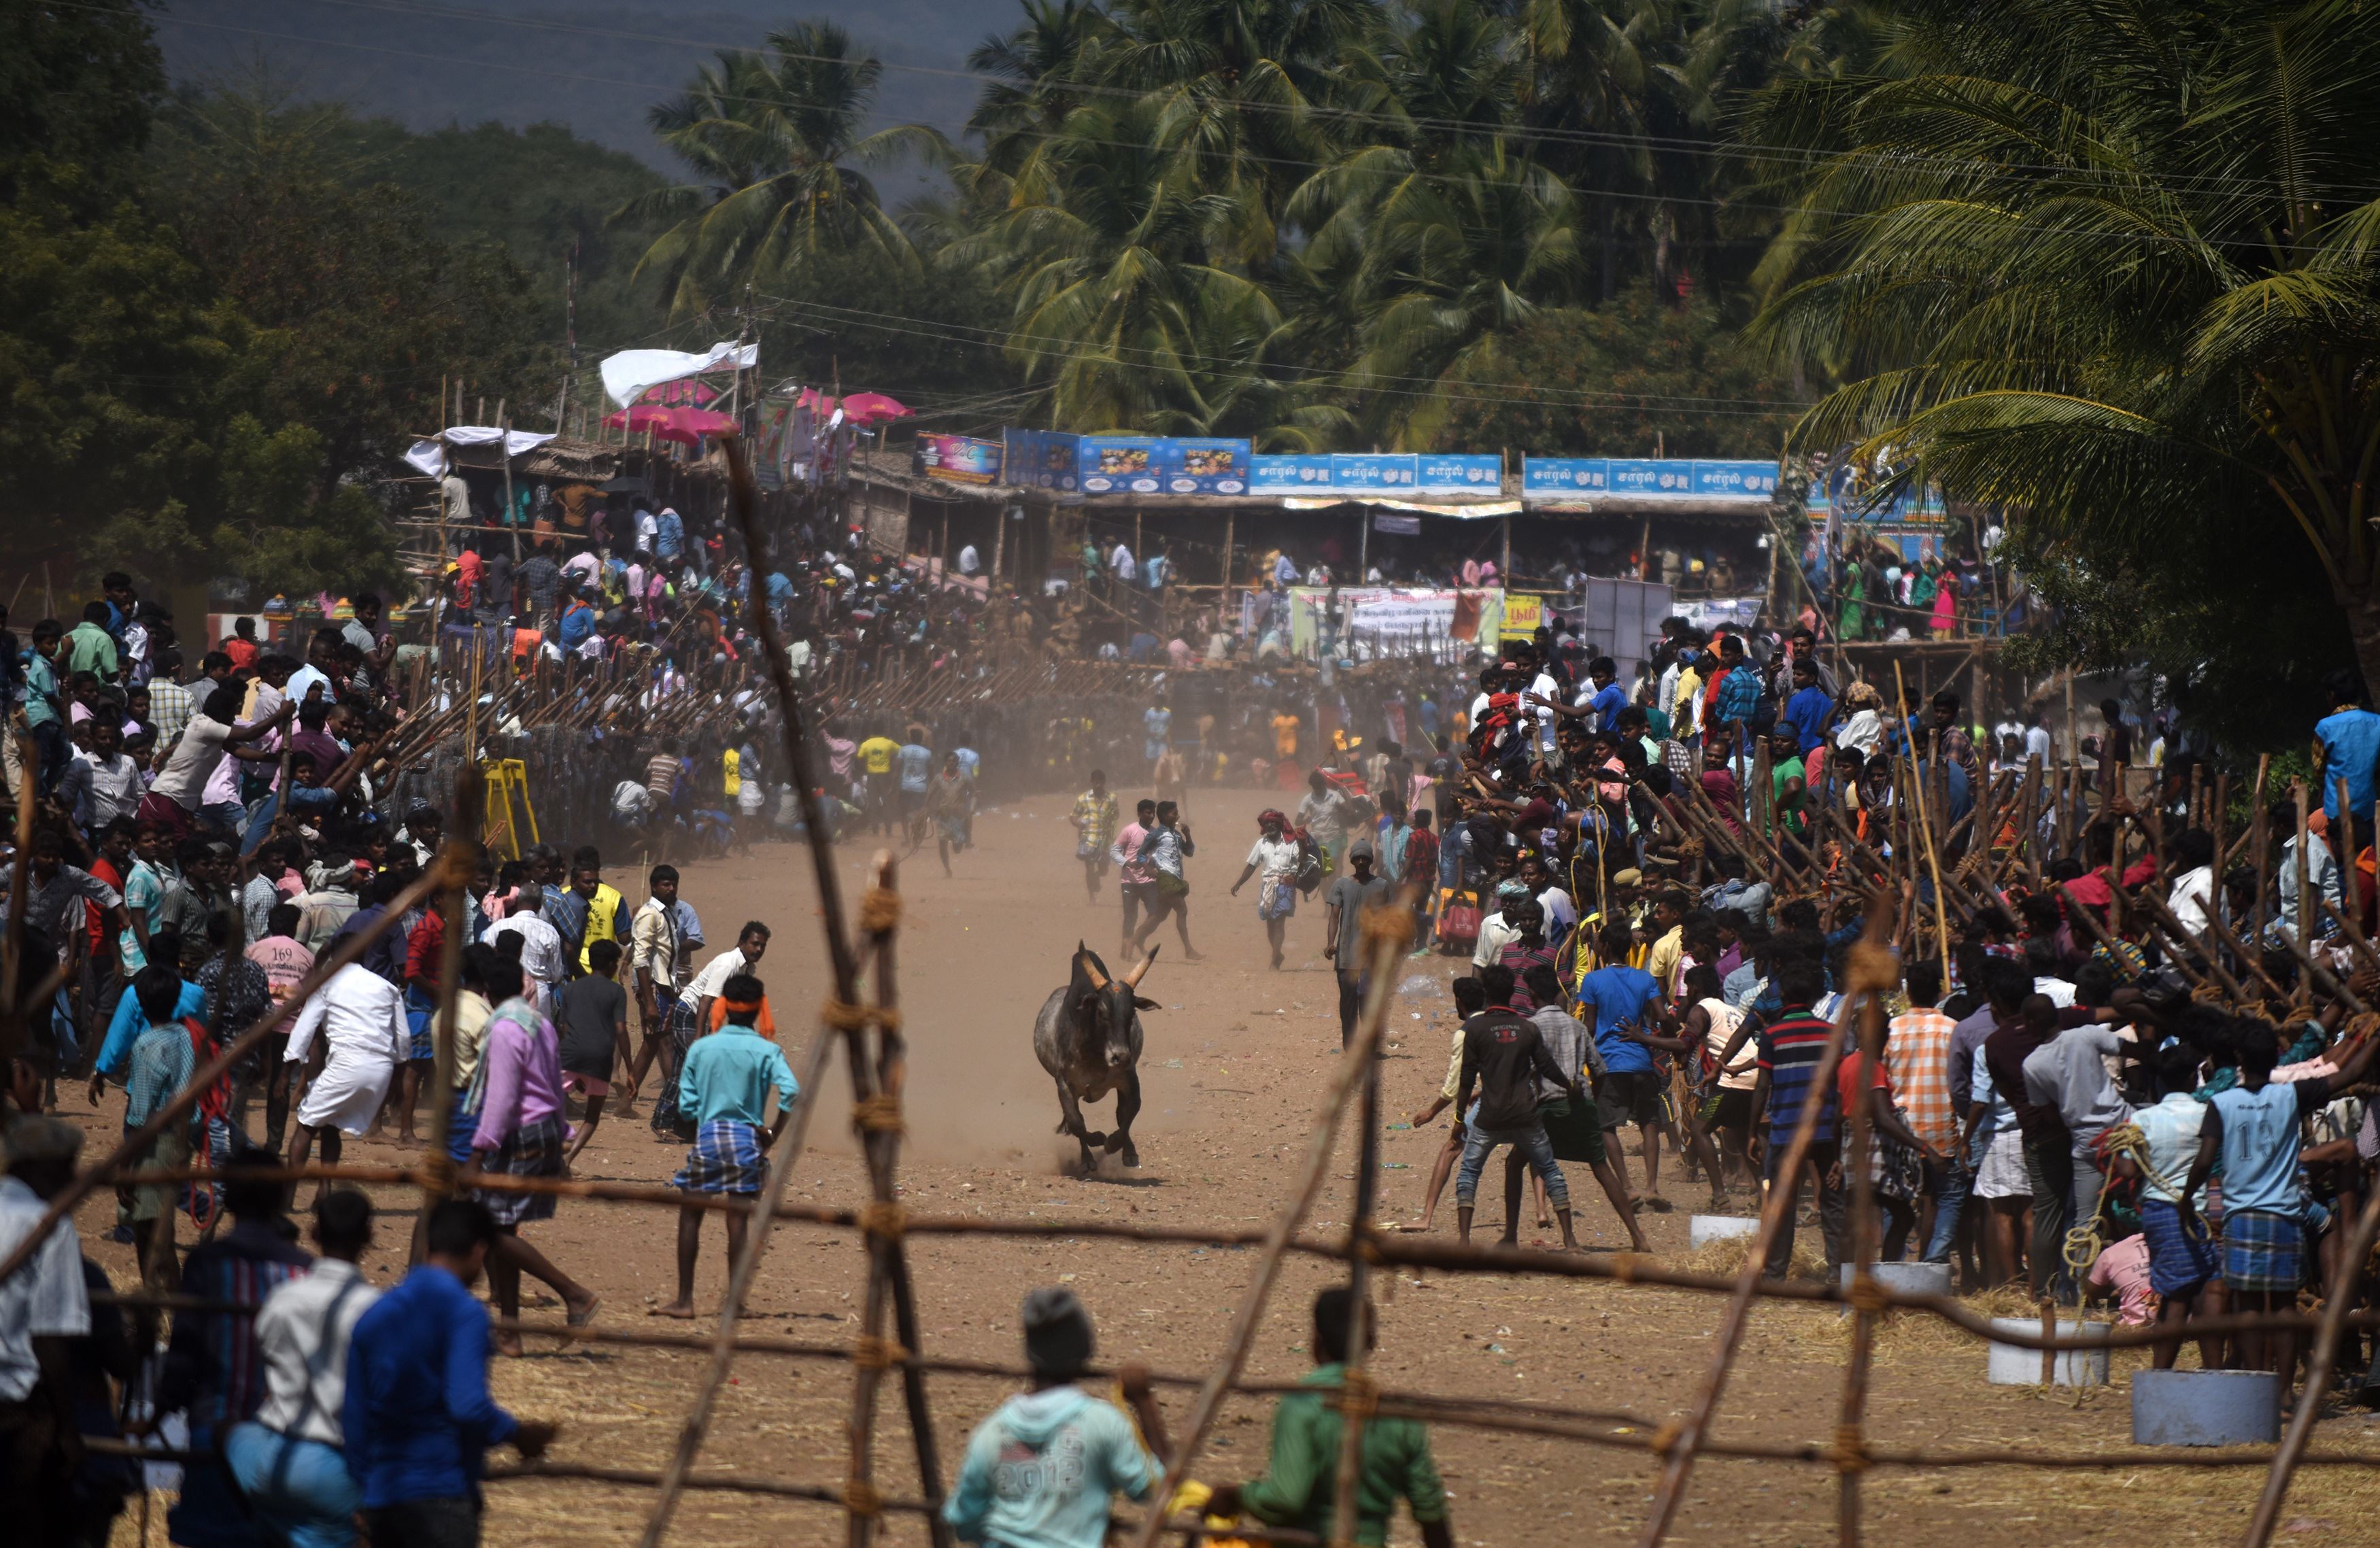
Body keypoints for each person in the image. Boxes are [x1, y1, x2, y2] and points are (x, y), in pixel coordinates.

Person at [344, 1199, 558, 1548]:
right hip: (440, 1494)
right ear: (479, 1251)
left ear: (427, 1246)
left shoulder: (376, 1313)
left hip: (382, 1495)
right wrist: (517, 1434)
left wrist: (361, 1494)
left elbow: (354, 1419)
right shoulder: (464, 1313)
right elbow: (467, 1405)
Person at [2180, 1018, 2379, 1381]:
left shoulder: (2222, 1103)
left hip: (2241, 1216)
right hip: (2285, 1216)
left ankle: (2259, 1389)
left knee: (2251, 1308)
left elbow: (2205, 1160)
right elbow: (2351, 1073)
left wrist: (2185, 1199)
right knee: (2286, 1306)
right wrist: (2376, 1036)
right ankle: (2286, 1395)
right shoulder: (2291, 1095)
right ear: (2275, 1056)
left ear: (2240, 1057)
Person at [1202, 1288, 1452, 1548]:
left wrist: (1239, 1497)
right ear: (1372, 1341)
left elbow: (1285, 1497)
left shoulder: (1302, 1405)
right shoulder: (1398, 1414)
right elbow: (1430, 1510)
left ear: (1316, 1341)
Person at [159, 1153, 316, 1548]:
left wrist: (161, 1409)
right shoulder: (305, 1271)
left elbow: (184, 1351)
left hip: (215, 1434)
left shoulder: (206, 1263)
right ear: (282, 1199)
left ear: (227, 1199)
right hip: (286, 1442)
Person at [945, 1286, 1170, 1548]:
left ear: (1028, 1351)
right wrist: (1144, 1402)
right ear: (1086, 1348)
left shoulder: (991, 1432)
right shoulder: (1102, 1424)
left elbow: (963, 1519)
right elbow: (1157, 1486)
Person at [226, 1190, 381, 1548]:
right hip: (338, 1470)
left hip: (275, 1460)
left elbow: (263, 1359)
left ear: (313, 1234)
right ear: (369, 1238)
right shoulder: (376, 1310)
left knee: (226, 1434)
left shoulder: (283, 1298)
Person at [658, 973, 799, 1318]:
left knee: (691, 1216)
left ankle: (685, 1301)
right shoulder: (767, 1050)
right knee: (737, 1222)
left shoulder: (702, 1048)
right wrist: (772, 1134)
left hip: (709, 1138)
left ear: (724, 1006)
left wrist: (700, 1114)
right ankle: (734, 1303)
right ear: (756, 1010)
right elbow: (791, 1092)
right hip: (747, 1141)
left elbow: (687, 1104)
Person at [469, 990, 601, 1349]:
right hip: (541, 1128)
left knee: (488, 1228)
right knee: (503, 1227)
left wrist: (478, 1152)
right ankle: (510, 1332)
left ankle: (573, 1293)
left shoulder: (504, 1028)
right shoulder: (539, 1023)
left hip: (518, 1132)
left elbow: (503, 1097)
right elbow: (552, 1085)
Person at [0, 1114, 93, 1547]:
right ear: (42, 1169)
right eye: (66, 1169)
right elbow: (50, 1336)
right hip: (15, 1409)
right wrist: (68, 1428)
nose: (72, 1180)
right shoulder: (46, 1223)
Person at [1451, 963, 1582, 1250]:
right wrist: (1569, 1086)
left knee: (1469, 1173)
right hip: (1525, 1115)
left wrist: (1459, 1118)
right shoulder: (1527, 1028)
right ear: (1513, 992)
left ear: (1486, 993)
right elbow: (1547, 1067)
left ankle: (1464, 1240)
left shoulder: (1475, 1028)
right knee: (1550, 1170)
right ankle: (1570, 1240)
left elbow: (1466, 1078)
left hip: (1489, 1116)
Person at [1518, 962, 1647, 1251]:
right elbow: (1599, 1071)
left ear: (1531, 994)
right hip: (1582, 1104)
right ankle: (1639, 1238)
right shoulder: (1576, 1026)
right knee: (1601, 1168)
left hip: (1548, 1106)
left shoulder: (1531, 1028)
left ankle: (1559, 1237)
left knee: (1523, 1161)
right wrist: (1591, 1099)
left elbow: (1526, 1072)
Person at [1751, 952, 1848, 1278]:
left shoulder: (1772, 1035)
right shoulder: (1830, 1033)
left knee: (1782, 1200)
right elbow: (1838, 1087)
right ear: (1815, 996)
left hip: (1785, 1131)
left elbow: (1763, 1088)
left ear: (1782, 995)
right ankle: (1837, 1271)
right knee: (1833, 1201)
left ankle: (1777, 1272)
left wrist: (1752, 1132)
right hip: (1823, 1129)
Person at [283, 962, 409, 1202]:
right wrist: (399, 1069)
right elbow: (403, 1037)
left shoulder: (327, 985)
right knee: (331, 1126)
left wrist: (286, 1068)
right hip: (381, 1067)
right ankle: (325, 1189)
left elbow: (304, 1029)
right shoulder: (387, 987)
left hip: (348, 1062)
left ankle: (288, 1195)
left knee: (306, 1126)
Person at [1576, 922, 1669, 1208]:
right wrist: (1652, 1037)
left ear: (1603, 947)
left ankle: (1628, 1187)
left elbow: (1590, 1025)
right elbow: (1663, 1017)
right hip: (1641, 1060)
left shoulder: (1593, 981)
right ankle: (1652, 1186)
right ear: (1630, 947)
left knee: (1607, 1126)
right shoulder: (1645, 979)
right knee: (1649, 1122)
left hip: (1609, 1062)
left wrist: (1581, 1057)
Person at [624, 864, 704, 1117]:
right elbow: (642, 960)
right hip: (656, 989)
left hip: (667, 986)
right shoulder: (650, 914)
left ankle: (626, 1102)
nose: (671, 889)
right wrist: (649, 1001)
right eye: (666, 885)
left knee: (651, 1045)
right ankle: (676, 1104)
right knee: (666, 1042)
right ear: (654, 887)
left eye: (674, 885)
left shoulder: (668, 912)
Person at [557, 938, 632, 1166]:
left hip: (569, 1054)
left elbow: (564, 1027)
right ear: (611, 965)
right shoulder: (617, 992)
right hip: (600, 1058)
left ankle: (548, 1154)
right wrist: (630, 1070)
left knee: (549, 1107)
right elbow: (620, 1029)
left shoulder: (571, 988)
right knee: (592, 1117)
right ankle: (567, 1161)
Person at [1323, 842, 1393, 1047]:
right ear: (1352, 860)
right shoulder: (1341, 885)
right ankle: (1350, 1046)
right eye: (1358, 858)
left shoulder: (1382, 886)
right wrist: (1330, 943)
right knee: (1348, 1003)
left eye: (1365, 858)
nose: (1361, 862)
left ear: (1371, 860)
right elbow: (1334, 917)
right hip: (1346, 955)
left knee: (1368, 1002)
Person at [1124, 799, 1200, 963]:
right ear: (1165, 817)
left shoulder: (1177, 835)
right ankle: (1188, 949)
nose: (1178, 815)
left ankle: (1133, 941)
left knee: (1158, 916)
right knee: (1182, 910)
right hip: (1165, 878)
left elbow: (1190, 852)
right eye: (1174, 813)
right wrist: (1147, 868)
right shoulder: (1156, 834)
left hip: (1176, 878)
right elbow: (1141, 854)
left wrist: (1188, 835)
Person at [1231, 808, 1304, 970]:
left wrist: (1303, 843)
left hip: (1286, 886)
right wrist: (1238, 884)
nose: (1269, 826)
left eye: (1272, 823)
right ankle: (1277, 954)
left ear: (1279, 825)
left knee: (1279, 923)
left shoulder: (1291, 843)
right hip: (1268, 887)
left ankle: (1274, 960)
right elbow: (1252, 866)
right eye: (1266, 824)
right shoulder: (1261, 844)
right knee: (1270, 925)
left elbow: (1302, 861)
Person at [1070, 770, 1119, 902]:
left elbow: (1116, 814)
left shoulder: (1112, 798)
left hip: (1105, 838)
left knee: (1104, 869)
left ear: (1104, 783)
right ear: (1091, 782)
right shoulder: (1083, 799)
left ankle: (1097, 877)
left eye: (1101, 782)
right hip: (1088, 837)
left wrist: (1111, 820)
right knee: (1090, 867)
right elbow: (1073, 816)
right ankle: (1091, 895)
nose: (1098, 784)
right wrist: (1079, 824)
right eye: (1095, 782)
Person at [927, 751, 974, 876]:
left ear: (957, 763)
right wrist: (927, 809)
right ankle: (947, 869)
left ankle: (959, 840)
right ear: (945, 763)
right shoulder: (939, 778)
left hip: (959, 816)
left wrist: (970, 811)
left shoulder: (964, 778)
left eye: (954, 761)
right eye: (949, 760)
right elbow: (930, 794)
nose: (951, 763)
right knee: (942, 844)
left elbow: (974, 794)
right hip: (943, 815)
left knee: (957, 848)